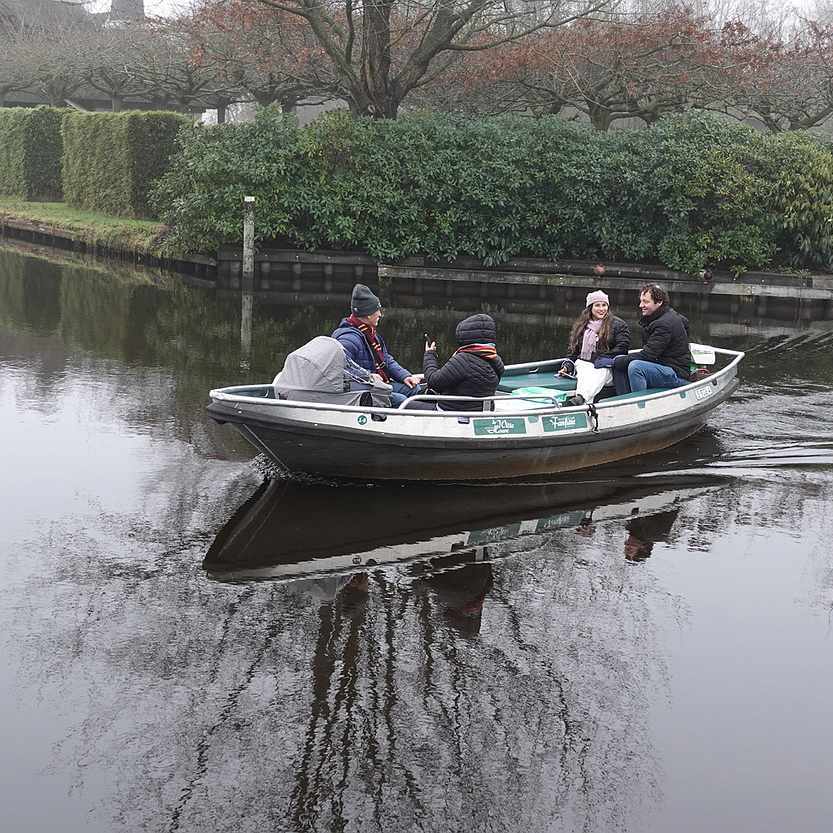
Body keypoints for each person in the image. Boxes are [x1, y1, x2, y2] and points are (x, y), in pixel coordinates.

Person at [332, 284, 422, 407]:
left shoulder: (370, 333)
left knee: (414, 389)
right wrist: (368, 376)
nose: (380, 314)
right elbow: (338, 370)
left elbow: (386, 360)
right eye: (378, 310)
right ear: (369, 314)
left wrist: (405, 376)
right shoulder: (349, 339)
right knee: (401, 400)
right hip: (362, 390)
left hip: (377, 384)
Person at [407, 313, 505, 411]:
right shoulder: (496, 360)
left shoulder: (463, 359)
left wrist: (429, 354)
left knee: (405, 404)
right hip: (481, 411)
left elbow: (433, 382)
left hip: (454, 412)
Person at [613, 283, 692, 395]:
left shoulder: (664, 324)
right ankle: (624, 397)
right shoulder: (661, 316)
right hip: (662, 366)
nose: (641, 305)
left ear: (659, 302)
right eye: (641, 301)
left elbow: (647, 355)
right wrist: (618, 360)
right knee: (620, 362)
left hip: (676, 372)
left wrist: (614, 361)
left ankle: (640, 404)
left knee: (636, 367)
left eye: (646, 302)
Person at [558, 290, 630, 406]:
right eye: (597, 305)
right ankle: (583, 403)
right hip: (584, 364)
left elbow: (622, 349)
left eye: (604, 305)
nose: (601, 309)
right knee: (585, 369)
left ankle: (581, 399)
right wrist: (567, 365)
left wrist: (602, 358)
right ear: (590, 307)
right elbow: (573, 351)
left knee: (600, 371)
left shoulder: (618, 325)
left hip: (607, 366)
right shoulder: (582, 326)